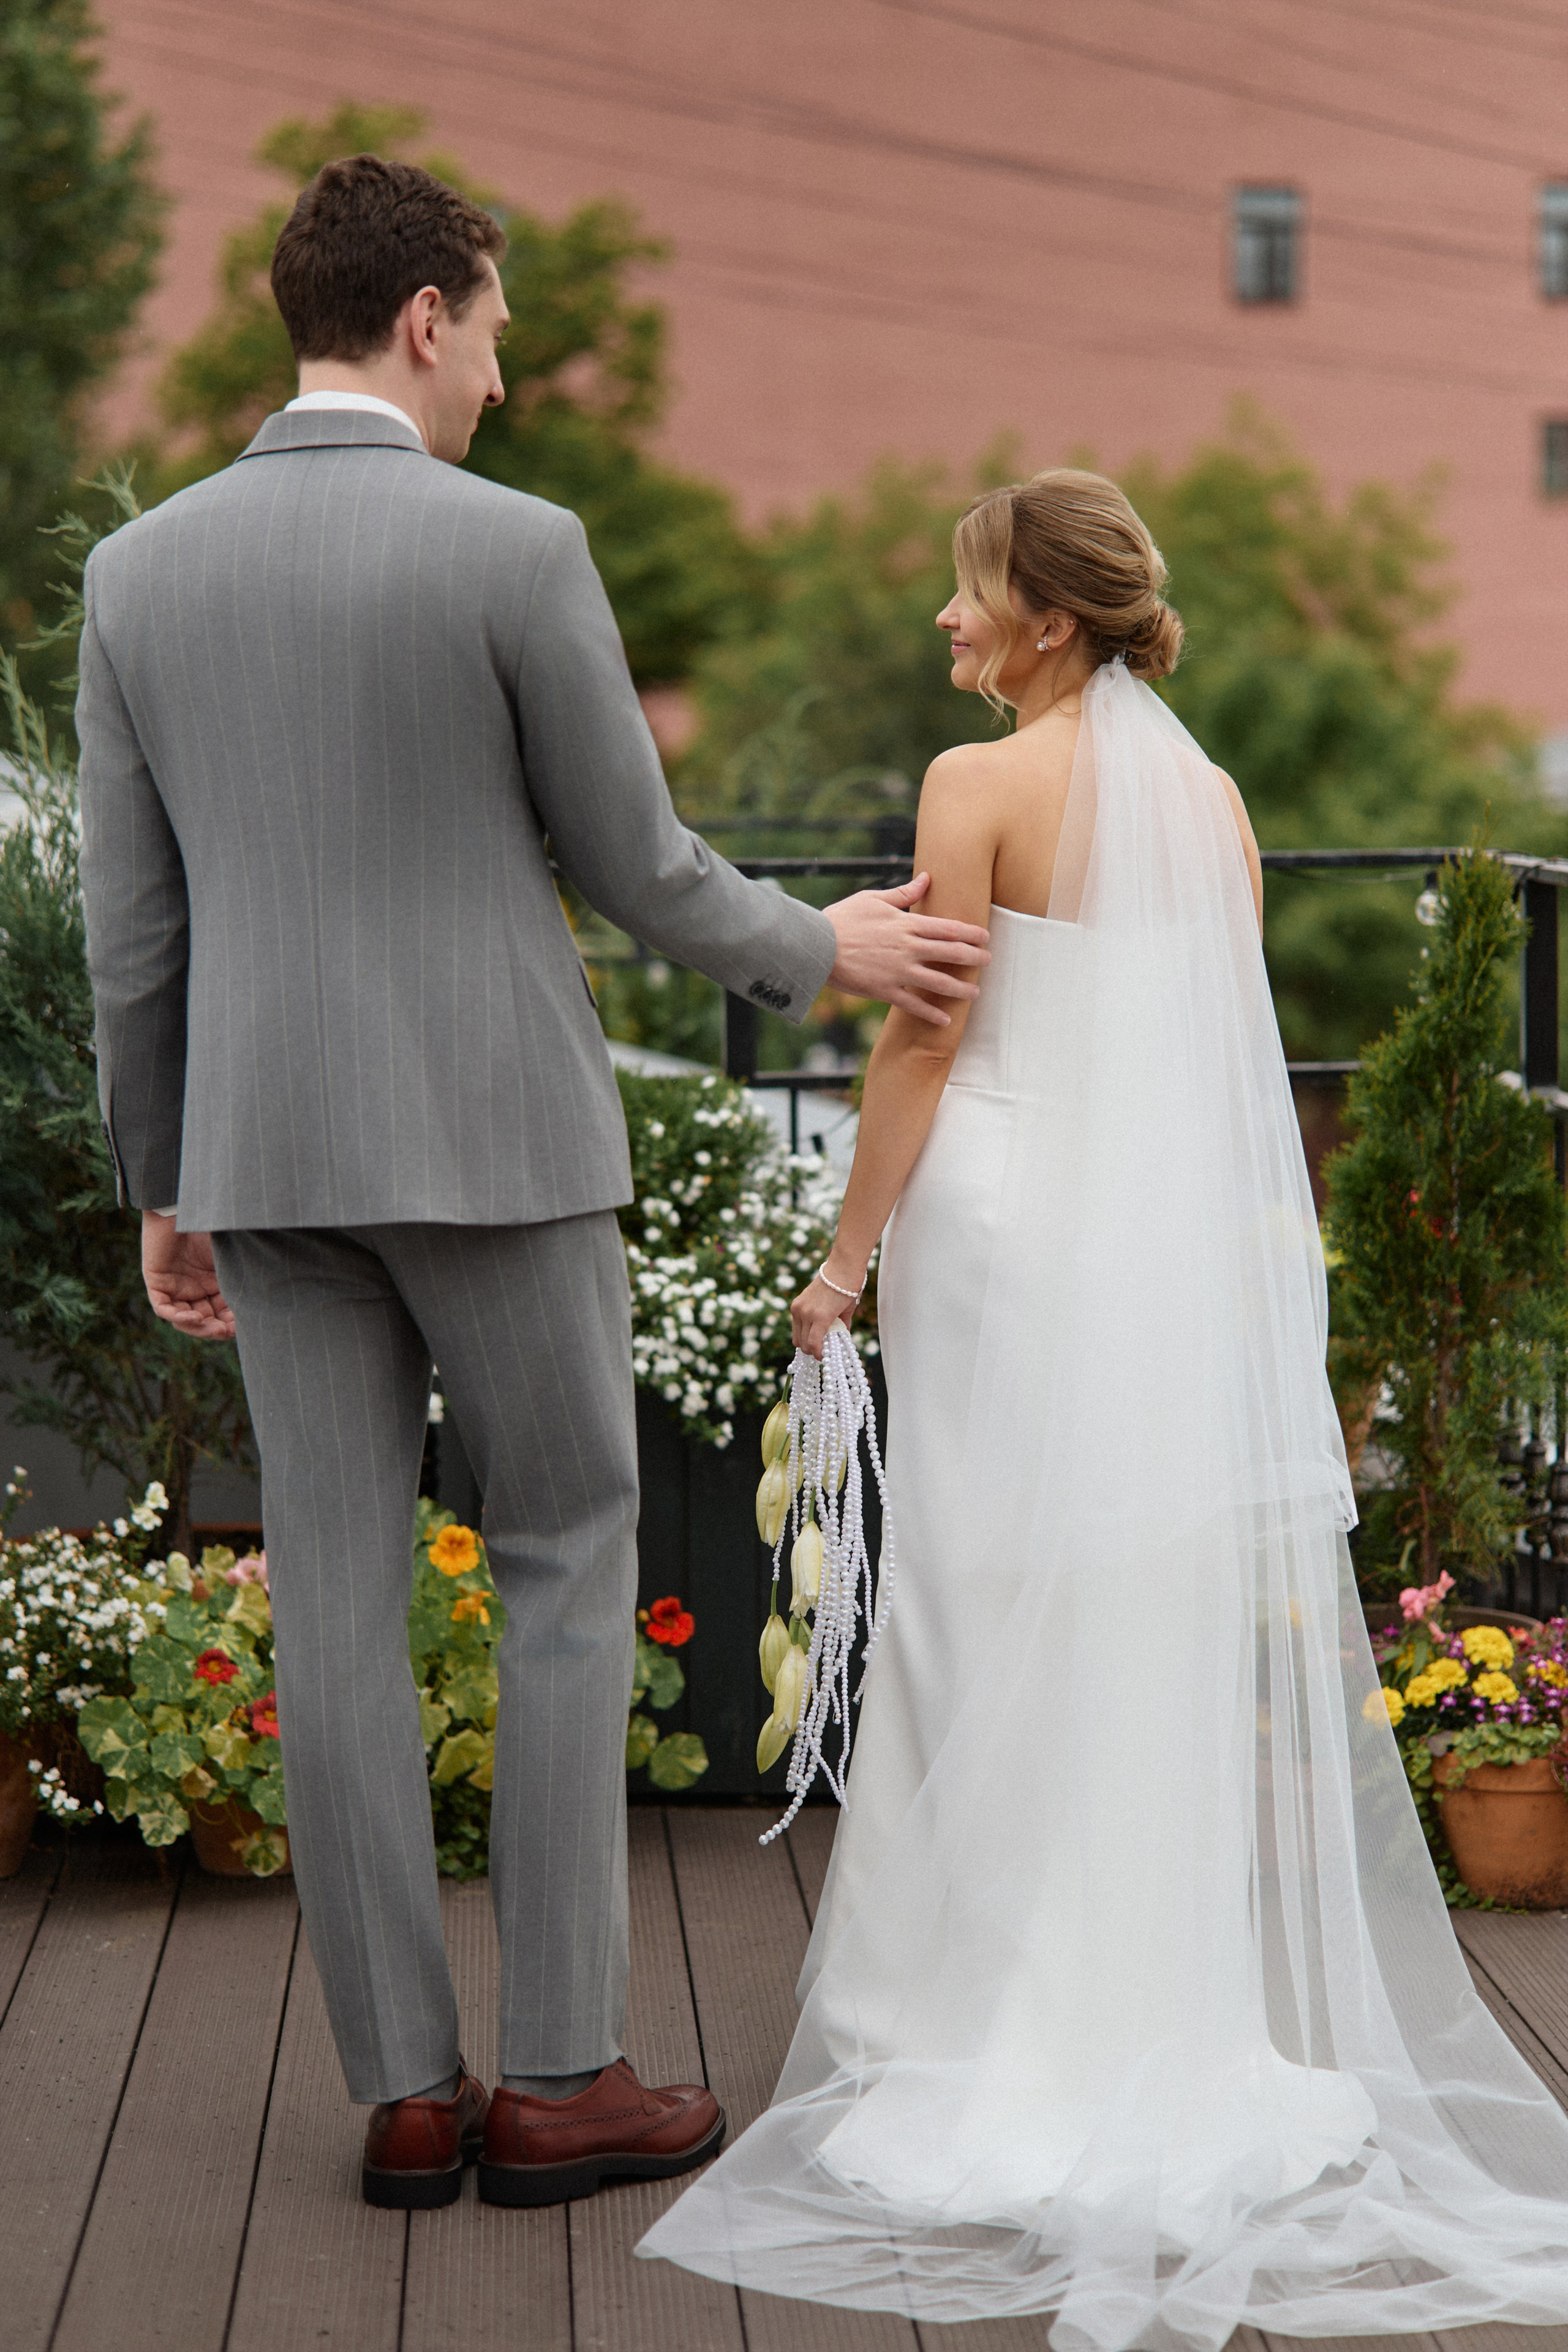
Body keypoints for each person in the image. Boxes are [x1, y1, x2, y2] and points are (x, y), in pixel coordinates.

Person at [74, 152, 991, 2214]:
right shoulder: (518, 547)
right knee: (570, 1555)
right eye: (493, 336)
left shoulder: (139, 576)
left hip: (266, 1158)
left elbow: (135, 935)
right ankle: (564, 2078)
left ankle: (407, 2094)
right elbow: (637, 856)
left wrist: (166, 1173)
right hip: (499, 1147)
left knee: (333, 1603)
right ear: (424, 318)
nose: (499, 379)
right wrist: (823, 946)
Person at [639, 470, 1568, 2342]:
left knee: (981, 1601)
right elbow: (1210, 1066)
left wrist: (842, 1265)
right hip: (1145, 1254)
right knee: (1130, 1614)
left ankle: (978, 2021)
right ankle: (1153, 2014)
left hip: (996, 1228)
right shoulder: (1210, 802)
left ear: (1049, 620)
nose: (947, 619)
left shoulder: (976, 785)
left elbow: (924, 1039)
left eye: (970, 590)